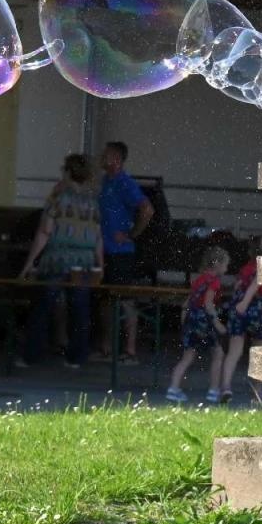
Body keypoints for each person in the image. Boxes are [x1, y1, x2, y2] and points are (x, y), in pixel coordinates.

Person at [17, 154, 103, 369]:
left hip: (56, 258)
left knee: (43, 307)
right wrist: (100, 265)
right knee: (80, 309)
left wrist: (28, 264)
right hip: (84, 261)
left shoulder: (57, 197)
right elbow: (98, 237)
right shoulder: (93, 201)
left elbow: (45, 231)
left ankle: (31, 355)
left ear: (66, 172)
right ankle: (76, 357)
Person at [96, 141, 153, 362]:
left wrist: (131, 234)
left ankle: (130, 351)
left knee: (126, 299)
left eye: (107, 155)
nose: (103, 158)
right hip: (104, 250)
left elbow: (147, 209)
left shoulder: (124, 183)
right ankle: (106, 348)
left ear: (117, 160)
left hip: (122, 251)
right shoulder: (105, 182)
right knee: (106, 300)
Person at [167, 245, 229, 403]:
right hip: (204, 320)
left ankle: (173, 389)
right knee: (218, 354)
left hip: (191, 318)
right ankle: (213, 391)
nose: (227, 268)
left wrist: (184, 320)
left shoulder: (198, 279)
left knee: (187, 356)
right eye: (225, 265)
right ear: (217, 264)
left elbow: (187, 303)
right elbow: (208, 303)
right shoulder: (214, 282)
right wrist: (217, 323)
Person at [214, 247, 262, 404]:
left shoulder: (245, 268)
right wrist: (245, 303)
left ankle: (225, 387)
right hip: (254, 309)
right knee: (259, 351)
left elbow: (238, 285)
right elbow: (256, 284)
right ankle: (257, 393)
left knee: (234, 352)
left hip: (237, 311)